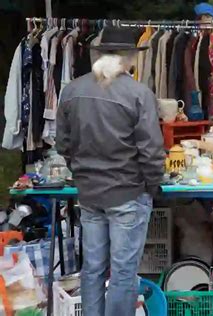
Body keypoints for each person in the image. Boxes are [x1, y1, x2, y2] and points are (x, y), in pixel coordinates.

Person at [56, 27, 165, 316]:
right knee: (123, 273)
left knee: (92, 269)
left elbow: (63, 144)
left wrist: (81, 173)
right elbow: (151, 152)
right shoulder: (139, 94)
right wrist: (153, 185)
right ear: (129, 58)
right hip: (128, 194)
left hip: (90, 195)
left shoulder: (73, 90)